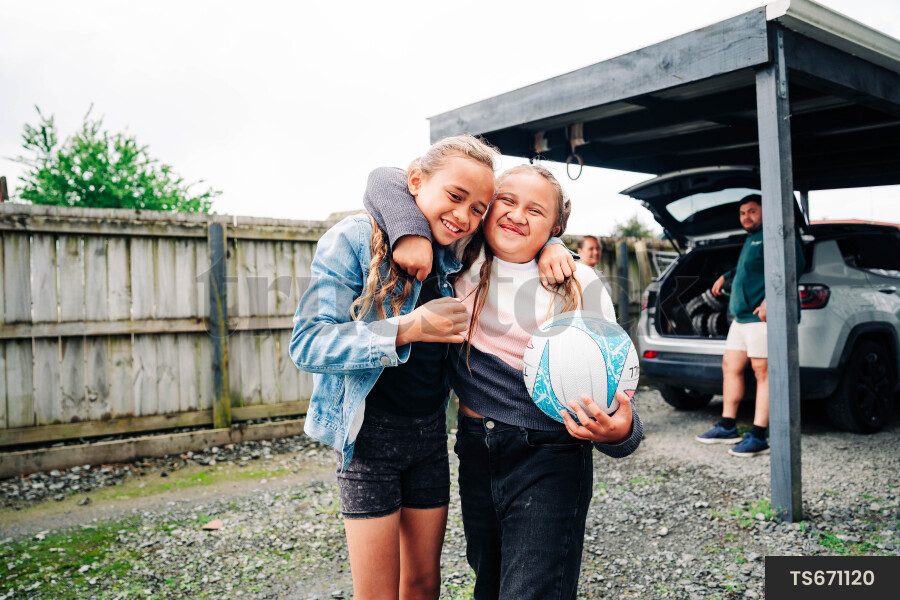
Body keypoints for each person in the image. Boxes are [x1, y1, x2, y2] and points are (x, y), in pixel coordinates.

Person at [290, 136, 575, 600]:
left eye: (478, 209)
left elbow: (522, 228)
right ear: (417, 183)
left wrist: (554, 246)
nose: (464, 217)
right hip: (366, 442)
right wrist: (406, 328)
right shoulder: (355, 240)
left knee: (423, 585)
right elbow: (308, 344)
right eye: (456, 198)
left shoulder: (458, 251)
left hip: (427, 439)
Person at [365, 164, 642, 600]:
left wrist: (622, 431)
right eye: (506, 202)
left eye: (536, 211)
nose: (517, 214)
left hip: (551, 455)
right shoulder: (456, 261)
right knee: (489, 585)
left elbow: (614, 384)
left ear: (557, 225)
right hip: (476, 449)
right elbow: (385, 179)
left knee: (532, 590)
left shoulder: (577, 281)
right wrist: (411, 235)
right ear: (487, 209)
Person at [695, 194, 805, 457]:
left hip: (762, 318)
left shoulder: (778, 234)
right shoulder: (751, 239)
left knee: (762, 372)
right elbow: (746, 269)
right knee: (730, 366)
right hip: (741, 318)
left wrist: (771, 299)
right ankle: (728, 425)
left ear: (767, 212)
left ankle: (758, 435)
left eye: (752, 211)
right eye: (743, 212)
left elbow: (795, 266)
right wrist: (726, 276)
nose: (747, 217)